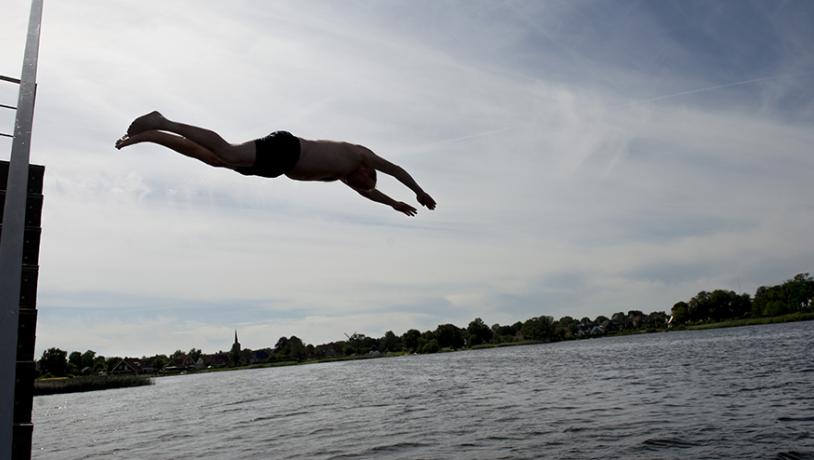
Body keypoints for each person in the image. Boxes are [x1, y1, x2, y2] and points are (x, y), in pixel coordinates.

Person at [115, 111, 437, 216]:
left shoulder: (342, 175)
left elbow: (370, 195)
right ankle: (163, 122)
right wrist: (418, 191)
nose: (362, 188)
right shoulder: (357, 156)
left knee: (215, 161)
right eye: (367, 183)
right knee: (226, 152)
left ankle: (151, 136)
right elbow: (395, 169)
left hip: (277, 167)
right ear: (367, 172)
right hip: (285, 148)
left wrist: (394, 203)